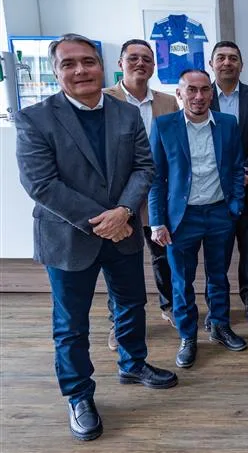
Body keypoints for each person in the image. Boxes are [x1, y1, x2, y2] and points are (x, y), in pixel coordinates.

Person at [15, 34, 177, 441]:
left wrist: (123, 212)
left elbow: (144, 167)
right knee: (71, 324)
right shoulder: (35, 118)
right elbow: (41, 185)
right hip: (69, 237)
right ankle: (79, 396)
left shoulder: (126, 114)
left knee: (132, 304)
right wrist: (103, 221)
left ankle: (133, 364)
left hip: (123, 231)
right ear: (56, 72)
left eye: (88, 62)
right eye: (69, 64)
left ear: (102, 66)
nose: (80, 70)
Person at [149, 69, 247, 369]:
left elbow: (237, 168)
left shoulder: (228, 124)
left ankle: (219, 326)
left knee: (219, 276)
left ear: (211, 93)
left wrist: (235, 206)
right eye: (191, 90)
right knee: (182, 281)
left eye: (205, 90)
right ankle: (188, 336)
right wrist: (157, 221)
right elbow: (156, 178)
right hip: (182, 218)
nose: (199, 96)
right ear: (179, 94)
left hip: (220, 213)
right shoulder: (163, 125)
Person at [103, 39, 180, 351]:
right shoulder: (104, 99)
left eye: (147, 59)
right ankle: (120, 323)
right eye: (133, 58)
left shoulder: (167, 102)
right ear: (120, 63)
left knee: (163, 256)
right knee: (120, 262)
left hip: (157, 193)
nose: (140, 64)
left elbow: (174, 148)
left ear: (154, 66)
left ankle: (169, 307)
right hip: (119, 197)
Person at [208, 40, 248, 327]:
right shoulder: (201, 95)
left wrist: (246, 172)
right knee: (217, 253)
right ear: (211, 64)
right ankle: (216, 307)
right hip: (213, 191)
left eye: (233, 58)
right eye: (221, 57)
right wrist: (225, 177)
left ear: (241, 65)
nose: (227, 63)